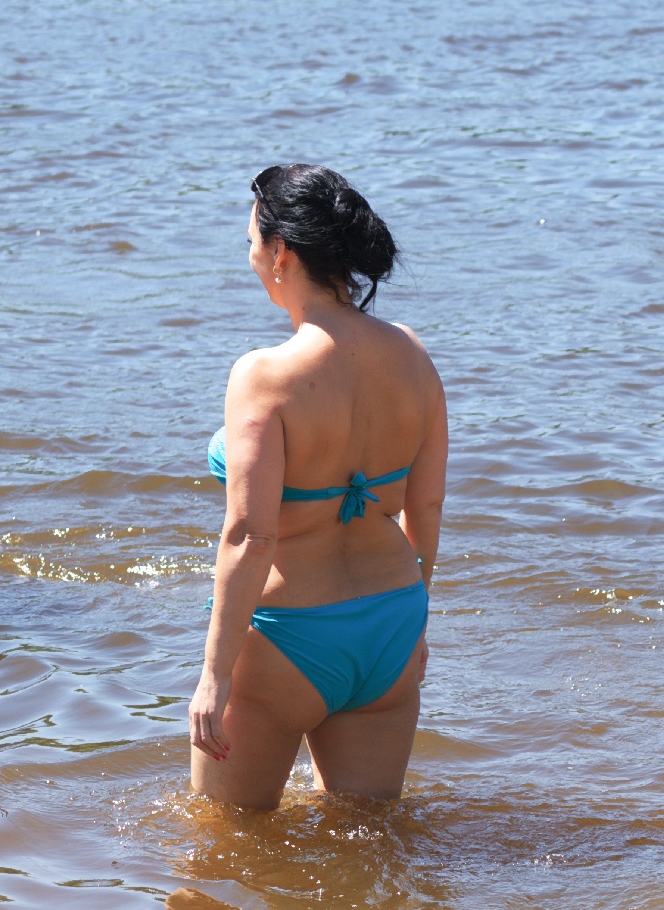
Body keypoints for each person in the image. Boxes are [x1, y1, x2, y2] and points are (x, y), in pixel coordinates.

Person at [189, 164, 447, 810]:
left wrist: (213, 677)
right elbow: (426, 503)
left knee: (223, 841)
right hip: (392, 621)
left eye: (251, 242)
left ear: (281, 252)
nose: (250, 257)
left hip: (289, 637)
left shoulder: (263, 375)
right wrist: (415, 624)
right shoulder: (412, 354)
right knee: (368, 840)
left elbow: (249, 536)